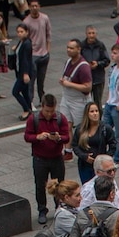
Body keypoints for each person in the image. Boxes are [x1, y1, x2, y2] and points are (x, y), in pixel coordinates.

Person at [25, 93, 71, 225]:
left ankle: (60, 207)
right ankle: (42, 210)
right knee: (40, 185)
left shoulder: (60, 118)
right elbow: (27, 136)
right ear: (42, 107)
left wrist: (58, 138)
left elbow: (66, 137)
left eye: (51, 111)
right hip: (40, 158)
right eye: (46, 111)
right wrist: (37, 137)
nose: (49, 114)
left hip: (56, 157)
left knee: (60, 185)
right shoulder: (34, 119)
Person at [72, 102, 115, 184]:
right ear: (87, 114)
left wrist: (105, 158)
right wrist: (84, 156)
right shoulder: (80, 129)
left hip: (101, 167)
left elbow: (113, 145)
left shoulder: (105, 128)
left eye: (96, 111)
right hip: (85, 166)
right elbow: (75, 145)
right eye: (92, 112)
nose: (95, 114)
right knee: (87, 188)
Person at [22, 0, 52, 109]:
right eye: (32, 6)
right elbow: (24, 39)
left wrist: (48, 50)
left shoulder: (45, 18)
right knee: (31, 81)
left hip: (44, 54)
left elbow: (48, 34)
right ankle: (30, 102)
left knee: (41, 80)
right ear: (29, 7)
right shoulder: (26, 22)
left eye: (36, 6)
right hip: (33, 55)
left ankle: (42, 99)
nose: (34, 8)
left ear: (39, 6)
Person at [57, 38, 92, 127]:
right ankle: (68, 141)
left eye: (72, 48)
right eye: (68, 47)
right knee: (65, 125)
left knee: (80, 127)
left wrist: (69, 84)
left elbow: (88, 87)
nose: (68, 50)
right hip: (66, 98)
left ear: (79, 49)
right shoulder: (68, 61)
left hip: (79, 101)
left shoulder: (84, 67)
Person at [80, 26, 110, 109]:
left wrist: (98, 63)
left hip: (98, 78)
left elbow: (106, 60)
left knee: (97, 102)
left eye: (93, 33)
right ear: (86, 34)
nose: (91, 35)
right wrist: (86, 65)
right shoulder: (82, 46)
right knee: (85, 102)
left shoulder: (100, 45)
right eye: (89, 33)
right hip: (85, 79)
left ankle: (99, 120)